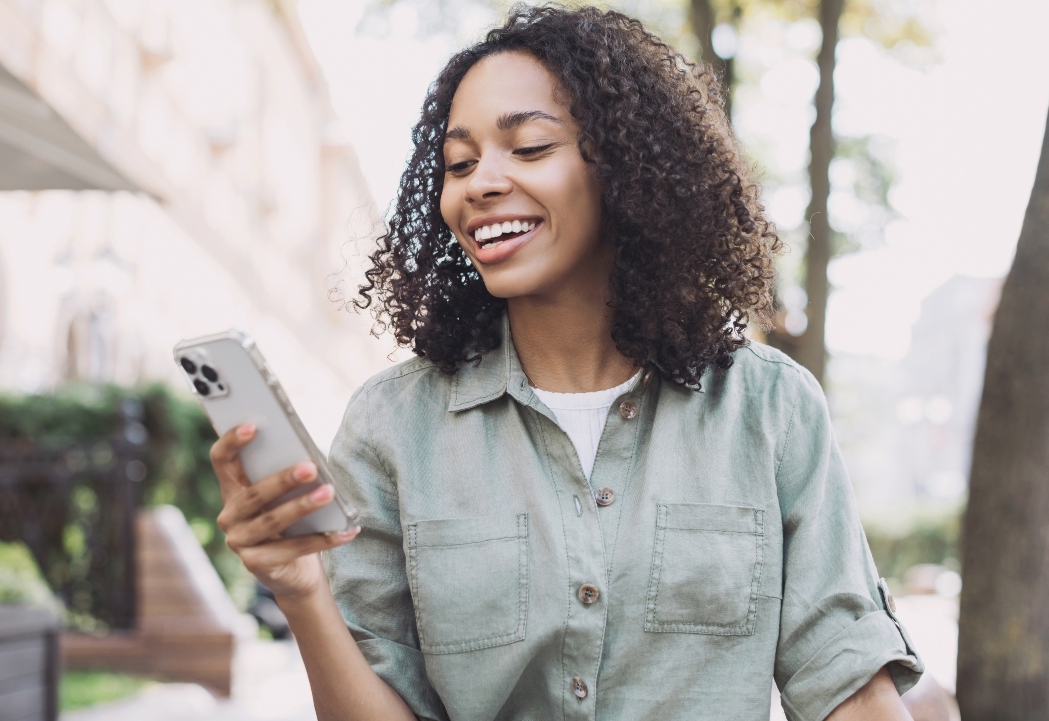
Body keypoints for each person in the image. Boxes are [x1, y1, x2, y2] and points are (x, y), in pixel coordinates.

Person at [211, 6, 923, 720]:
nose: (480, 183)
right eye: (459, 163)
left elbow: (850, 686)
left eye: (528, 148)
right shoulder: (393, 426)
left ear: (625, 169)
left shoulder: (769, 409)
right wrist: (300, 588)